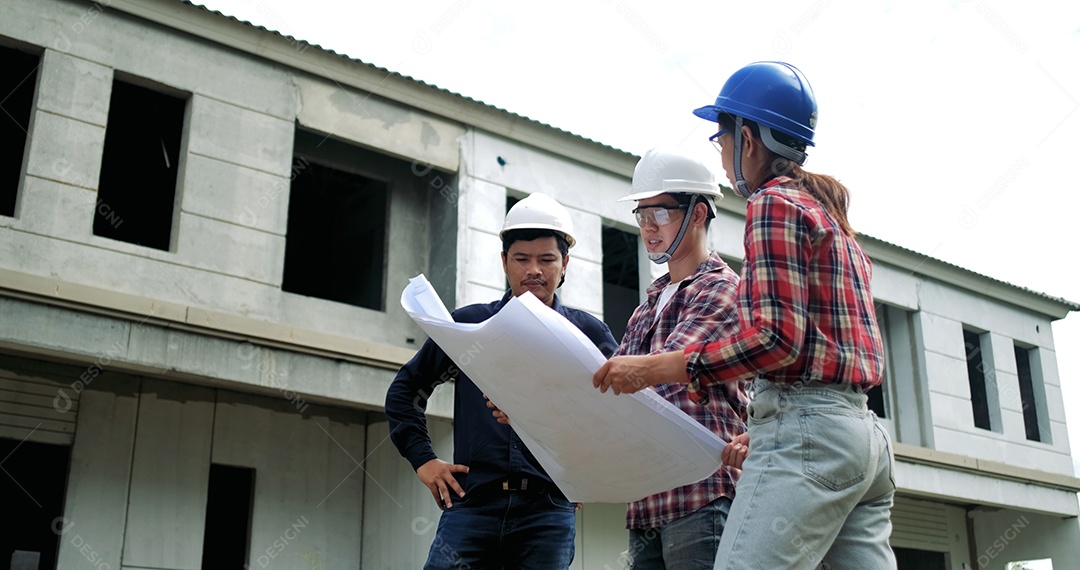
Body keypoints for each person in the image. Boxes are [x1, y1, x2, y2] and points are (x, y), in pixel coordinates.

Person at [592, 61, 896, 569]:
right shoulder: (830, 217)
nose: (724, 153)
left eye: (722, 139)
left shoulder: (771, 204)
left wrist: (655, 367)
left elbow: (778, 341)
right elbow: (830, 350)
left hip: (806, 436)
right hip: (862, 438)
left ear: (747, 139)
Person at [385, 192, 617, 570]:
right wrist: (423, 460)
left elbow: (618, 412)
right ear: (504, 262)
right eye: (521, 259)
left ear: (566, 263)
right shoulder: (469, 325)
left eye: (546, 259)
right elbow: (405, 391)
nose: (534, 270)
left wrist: (587, 472)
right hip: (474, 505)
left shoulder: (588, 332)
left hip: (548, 512)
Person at [613, 148, 746, 569]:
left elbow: (667, 371)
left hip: (701, 490)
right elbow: (614, 387)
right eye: (641, 215)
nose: (648, 227)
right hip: (647, 499)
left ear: (699, 213)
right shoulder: (648, 304)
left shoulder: (722, 288)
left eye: (661, 213)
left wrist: (611, 377)